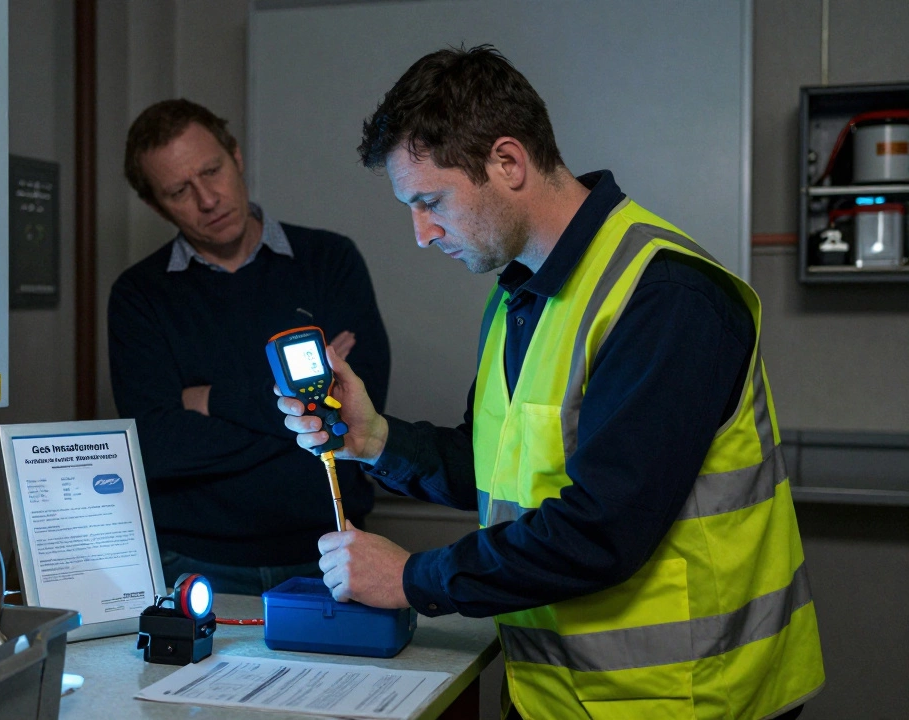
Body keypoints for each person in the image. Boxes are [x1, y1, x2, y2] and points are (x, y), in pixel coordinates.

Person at [277, 46, 824, 719]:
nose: (420, 234)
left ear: (508, 162)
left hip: (688, 700)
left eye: (429, 201)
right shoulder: (518, 296)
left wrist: (412, 578)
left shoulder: (667, 297)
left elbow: (602, 528)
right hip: (556, 696)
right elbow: (505, 472)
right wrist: (377, 439)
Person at [109, 99, 391, 595]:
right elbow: (157, 447)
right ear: (157, 206)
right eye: (179, 191)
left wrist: (209, 399)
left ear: (236, 157)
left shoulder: (329, 261)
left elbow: (353, 410)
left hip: (331, 552)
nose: (208, 199)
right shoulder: (139, 295)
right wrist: (302, 417)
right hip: (195, 562)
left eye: (212, 171)